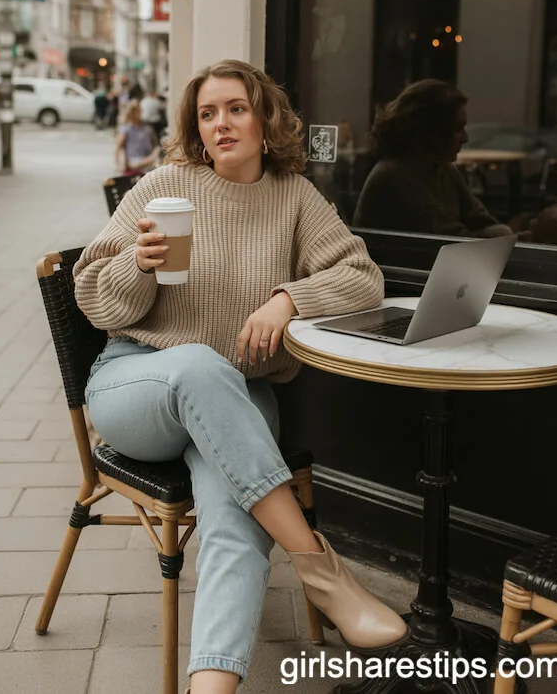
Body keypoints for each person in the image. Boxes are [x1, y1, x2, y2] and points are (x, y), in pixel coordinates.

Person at [74, 59, 407, 694]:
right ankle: (322, 571)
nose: (220, 124)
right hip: (135, 385)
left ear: (264, 119)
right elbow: (92, 294)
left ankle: (211, 687)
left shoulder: (295, 196)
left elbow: (364, 277)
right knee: (199, 363)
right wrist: (138, 267)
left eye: (235, 108)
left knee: (232, 518)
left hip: (237, 395)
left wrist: (289, 299)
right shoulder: (164, 187)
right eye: (207, 113)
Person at [353, 79, 513, 237]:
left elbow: (481, 221)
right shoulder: (394, 176)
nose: (465, 138)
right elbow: (451, 241)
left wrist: (525, 236)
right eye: (457, 129)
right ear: (430, 130)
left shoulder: (443, 170)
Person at [115, 100, 160, 176]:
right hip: (133, 161)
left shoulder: (147, 129)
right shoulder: (126, 129)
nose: (140, 113)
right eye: (138, 111)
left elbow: (156, 146)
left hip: (147, 159)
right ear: (132, 113)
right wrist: (117, 163)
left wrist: (155, 154)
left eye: (140, 111)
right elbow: (118, 147)